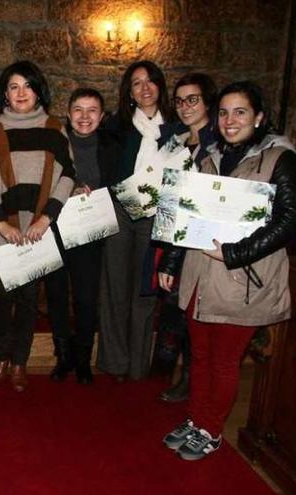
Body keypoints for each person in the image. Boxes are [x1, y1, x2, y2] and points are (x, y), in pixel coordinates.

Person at [159, 81, 296, 460]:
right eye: (223, 112)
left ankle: (211, 429)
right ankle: (196, 419)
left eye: (240, 112)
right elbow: (184, 214)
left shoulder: (280, 159)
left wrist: (235, 253)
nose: (229, 120)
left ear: (258, 117)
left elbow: (289, 222)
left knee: (224, 360)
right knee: (200, 356)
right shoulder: (207, 155)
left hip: (242, 279)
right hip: (198, 275)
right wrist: (172, 263)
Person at [0, 61, 74, 392]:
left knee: (29, 301)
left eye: (27, 86)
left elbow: (67, 176)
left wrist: (46, 220)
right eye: (14, 86)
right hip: (5, 231)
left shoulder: (55, 128)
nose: (21, 93)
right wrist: (1, 224)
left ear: (38, 91)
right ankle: (0, 356)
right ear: (5, 92)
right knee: (2, 300)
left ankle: (20, 361)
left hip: (37, 233)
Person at [97, 60, 173, 381]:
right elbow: (104, 169)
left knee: (145, 291)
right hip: (120, 210)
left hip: (157, 216)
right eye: (137, 83)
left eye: (150, 81)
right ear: (129, 92)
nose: (144, 88)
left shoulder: (177, 129)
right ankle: (115, 363)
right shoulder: (116, 126)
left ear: (160, 86)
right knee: (114, 286)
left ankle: (137, 365)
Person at [45, 88, 120, 385]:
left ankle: (83, 359)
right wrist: (70, 189)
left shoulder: (113, 146)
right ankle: (63, 357)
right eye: (79, 109)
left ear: (102, 116)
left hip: (90, 232)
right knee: (56, 294)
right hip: (55, 228)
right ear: (68, 112)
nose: (85, 117)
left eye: (92, 111)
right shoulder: (54, 142)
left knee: (87, 299)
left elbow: (120, 185)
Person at [153, 73, 218, 402]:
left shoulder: (218, 144)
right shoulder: (174, 141)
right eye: (179, 101)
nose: (185, 106)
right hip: (172, 235)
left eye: (192, 99)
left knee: (194, 311)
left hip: (203, 242)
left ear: (208, 101)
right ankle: (174, 370)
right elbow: (163, 191)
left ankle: (191, 379)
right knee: (174, 309)